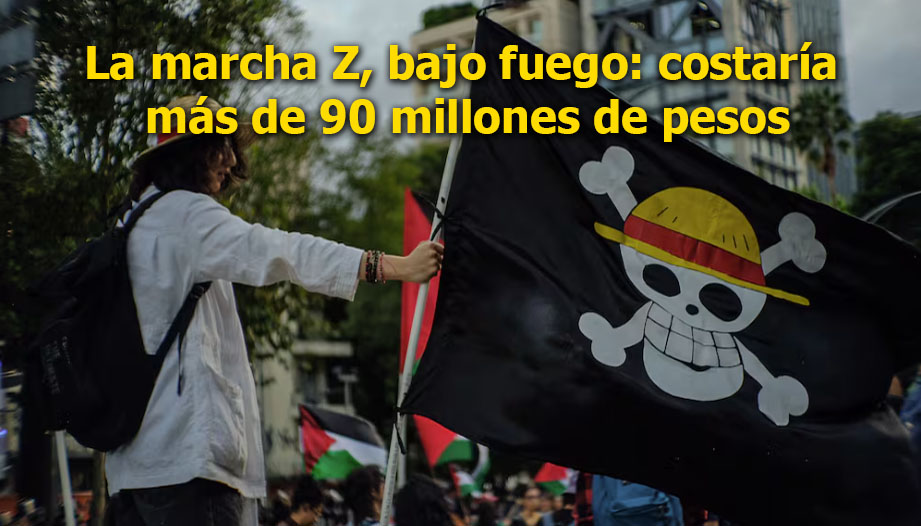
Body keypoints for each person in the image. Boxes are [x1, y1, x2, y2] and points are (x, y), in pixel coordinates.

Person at [104, 96, 443, 526]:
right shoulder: (187, 215)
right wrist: (396, 267)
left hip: (131, 468)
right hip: (188, 463)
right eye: (221, 146)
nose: (231, 160)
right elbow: (286, 251)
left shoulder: (131, 222)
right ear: (191, 152)